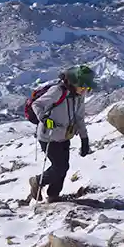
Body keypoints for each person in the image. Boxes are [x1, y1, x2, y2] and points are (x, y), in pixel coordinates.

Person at [28, 65, 95, 203]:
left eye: (87, 87)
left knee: (63, 167)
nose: (85, 90)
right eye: (83, 86)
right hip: (48, 136)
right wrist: (44, 119)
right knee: (60, 167)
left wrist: (84, 139)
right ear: (74, 82)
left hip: (64, 136)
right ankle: (37, 181)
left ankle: (53, 195)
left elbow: (79, 118)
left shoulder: (79, 96)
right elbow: (37, 105)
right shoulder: (57, 91)